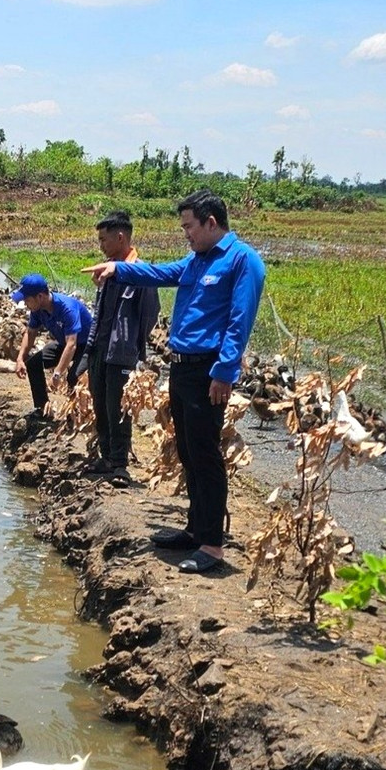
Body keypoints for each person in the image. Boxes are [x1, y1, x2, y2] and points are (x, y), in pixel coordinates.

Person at [85, 190, 265, 573]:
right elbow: (162, 273)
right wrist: (118, 269)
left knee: (205, 456)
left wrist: (224, 372)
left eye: (189, 226)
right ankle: (195, 529)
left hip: (207, 370)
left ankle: (212, 546)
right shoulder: (197, 260)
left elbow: (239, 321)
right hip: (182, 368)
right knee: (187, 451)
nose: (186, 234)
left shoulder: (242, 261)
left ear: (211, 223)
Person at [83, 211, 160, 486]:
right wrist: (89, 350)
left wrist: (132, 343)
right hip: (100, 350)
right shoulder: (107, 269)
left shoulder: (141, 272)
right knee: (101, 404)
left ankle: (119, 464)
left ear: (120, 237)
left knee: (118, 409)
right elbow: (98, 312)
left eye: (104, 239)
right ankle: (106, 458)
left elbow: (150, 314)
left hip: (122, 353)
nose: (100, 245)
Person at [10, 273, 93, 418]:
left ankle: (76, 414)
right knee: (33, 363)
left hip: (86, 345)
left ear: (40, 296)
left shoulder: (67, 308)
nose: (26, 304)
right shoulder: (37, 310)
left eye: (27, 300)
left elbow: (72, 345)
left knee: (73, 376)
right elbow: (30, 333)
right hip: (63, 342)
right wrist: (20, 359)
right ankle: (42, 409)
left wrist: (57, 373)